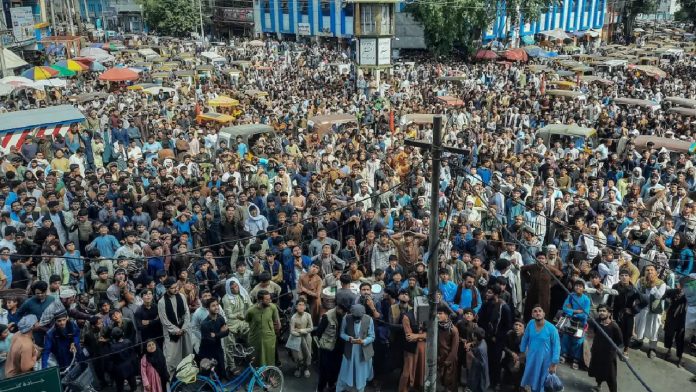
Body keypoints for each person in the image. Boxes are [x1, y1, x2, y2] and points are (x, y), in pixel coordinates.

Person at [520, 305, 561, 392]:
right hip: (532, 358)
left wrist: (554, 363)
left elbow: (556, 346)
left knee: (543, 383)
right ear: (532, 314)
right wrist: (522, 352)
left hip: (546, 361)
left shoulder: (552, 328)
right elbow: (525, 338)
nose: (537, 313)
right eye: (535, 311)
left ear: (544, 314)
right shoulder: (530, 324)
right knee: (532, 381)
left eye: (540, 311)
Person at [157, 277, 193, 374]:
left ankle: (186, 378)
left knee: (187, 354)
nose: (176, 289)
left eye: (176, 287)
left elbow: (186, 313)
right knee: (171, 360)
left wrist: (184, 327)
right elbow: (164, 320)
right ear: (167, 288)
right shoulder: (162, 302)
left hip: (184, 331)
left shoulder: (181, 296)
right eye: (173, 288)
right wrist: (176, 330)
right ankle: (171, 383)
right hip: (172, 334)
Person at [336, 304, 375, 392]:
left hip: (363, 352)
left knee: (361, 374)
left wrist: (363, 341)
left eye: (359, 317)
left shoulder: (369, 319)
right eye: (355, 317)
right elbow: (342, 333)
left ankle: (360, 389)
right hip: (350, 351)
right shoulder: (346, 318)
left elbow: (372, 336)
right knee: (346, 371)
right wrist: (349, 338)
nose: (357, 319)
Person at [634, 265, 667, 358]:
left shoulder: (661, 283)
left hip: (655, 310)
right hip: (643, 309)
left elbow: (658, 296)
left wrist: (653, 285)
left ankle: (652, 348)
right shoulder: (641, 281)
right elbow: (637, 292)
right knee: (641, 327)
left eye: (652, 270)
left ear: (656, 272)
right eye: (647, 270)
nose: (649, 272)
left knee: (654, 329)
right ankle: (639, 341)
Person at [588, 304, 623, 392]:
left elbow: (619, 341)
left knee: (611, 376)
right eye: (600, 311)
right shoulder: (597, 322)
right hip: (597, 351)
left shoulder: (614, 326)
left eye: (604, 311)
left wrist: (618, 352)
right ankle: (598, 386)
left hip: (608, 355)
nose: (601, 313)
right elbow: (594, 331)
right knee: (598, 370)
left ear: (609, 313)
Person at [314, 303, 347, 392]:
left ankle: (332, 386)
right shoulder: (327, 316)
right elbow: (318, 333)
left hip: (339, 348)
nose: (343, 313)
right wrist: (321, 346)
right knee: (324, 371)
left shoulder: (346, 314)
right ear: (338, 307)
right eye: (342, 310)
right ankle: (320, 388)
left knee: (335, 370)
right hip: (327, 348)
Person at [559, 280, 591, 369]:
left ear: (583, 288)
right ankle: (564, 354)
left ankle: (575, 359)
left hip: (581, 323)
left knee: (578, 341)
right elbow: (564, 308)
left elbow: (585, 314)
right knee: (566, 336)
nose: (578, 288)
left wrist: (571, 312)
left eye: (580, 286)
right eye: (576, 286)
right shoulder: (570, 296)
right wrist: (576, 311)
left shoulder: (586, 300)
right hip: (569, 320)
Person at [245, 289, 280, 367]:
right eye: (267, 299)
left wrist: (276, 333)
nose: (270, 300)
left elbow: (276, 321)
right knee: (256, 358)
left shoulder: (273, 308)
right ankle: (258, 376)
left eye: (270, 298)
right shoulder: (251, 311)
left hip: (269, 338)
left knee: (269, 358)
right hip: (255, 338)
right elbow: (247, 320)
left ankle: (270, 375)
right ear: (260, 300)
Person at [198, 297, 229, 373]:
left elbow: (227, 332)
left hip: (218, 348)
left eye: (217, 305)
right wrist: (220, 333)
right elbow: (210, 340)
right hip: (207, 352)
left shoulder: (220, 318)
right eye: (213, 306)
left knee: (222, 370)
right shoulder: (205, 324)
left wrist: (215, 335)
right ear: (208, 308)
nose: (216, 307)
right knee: (210, 374)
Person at [436, 305, 460, 391]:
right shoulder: (436, 327)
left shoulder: (453, 330)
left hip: (449, 361)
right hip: (439, 359)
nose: (438, 315)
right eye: (437, 314)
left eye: (440, 313)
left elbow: (454, 349)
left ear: (446, 315)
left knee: (449, 382)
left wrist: (447, 361)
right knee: (441, 380)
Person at [288, 298, 313, 378]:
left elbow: (311, 328)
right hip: (296, 339)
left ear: (305, 307)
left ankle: (306, 368)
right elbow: (292, 331)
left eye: (303, 305)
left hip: (307, 338)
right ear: (296, 307)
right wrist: (299, 333)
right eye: (299, 305)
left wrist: (300, 330)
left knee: (307, 355)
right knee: (298, 356)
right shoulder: (293, 318)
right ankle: (298, 368)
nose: (301, 307)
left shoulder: (308, 316)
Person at [109, 327, 138, 392]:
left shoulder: (113, 347)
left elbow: (112, 359)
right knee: (132, 383)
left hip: (119, 369)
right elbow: (132, 353)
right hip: (129, 365)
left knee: (120, 386)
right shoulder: (128, 341)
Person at [466, 327, 490, 392]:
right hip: (479, 371)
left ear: (476, 337)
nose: (472, 336)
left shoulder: (480, 349)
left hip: (480, 373)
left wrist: (471, 355)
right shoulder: (483, 341)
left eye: (473, 335)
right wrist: (471, 344)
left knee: (478, 386)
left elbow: (482, 364)